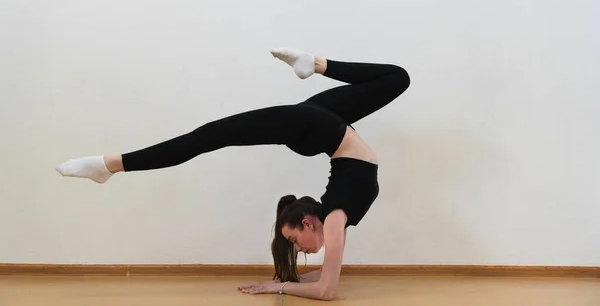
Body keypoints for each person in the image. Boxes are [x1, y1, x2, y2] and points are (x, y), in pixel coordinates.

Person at [55, 47, 410, 301]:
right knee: (209, 136)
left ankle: (314, 63)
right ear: (307, 223)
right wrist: (283, 286)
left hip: (322, 130)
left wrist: (279, 285)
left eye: (292, 246)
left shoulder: (333, 222)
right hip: (321, 129)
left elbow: (324, 280)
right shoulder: (333, 223)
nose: (300, 252)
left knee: (397, 78)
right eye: (294, 243)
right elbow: (327, 289)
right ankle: (109, 165)